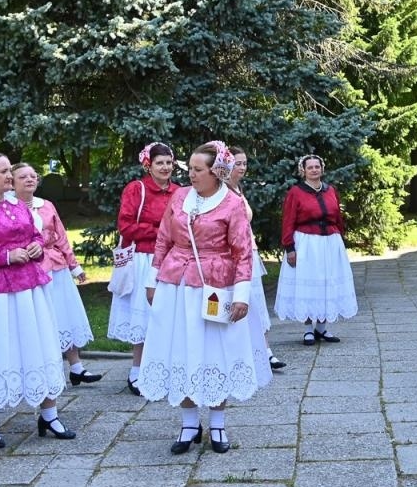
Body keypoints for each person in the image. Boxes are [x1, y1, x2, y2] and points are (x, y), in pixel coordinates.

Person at [139, 141, 260, 454]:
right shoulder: (180, 197)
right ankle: (189, 424)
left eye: (197, 169)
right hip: (176, 285)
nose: (190, 174)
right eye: (189, 168)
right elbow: (164, 238)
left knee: (214, 352)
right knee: (181, 350)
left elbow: (243, 252)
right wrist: (152, 280)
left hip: (214, 287)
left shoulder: (231, 204)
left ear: (216, 172)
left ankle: (218, 425)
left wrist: (242, 295)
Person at [0, 152, 74, 446]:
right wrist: (5, 256)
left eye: (10, 171)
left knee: (38, 343)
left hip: (28, 285)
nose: (10, 176)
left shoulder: (17, 205)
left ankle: (49, 414)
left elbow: (35, 234)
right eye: (4, 171)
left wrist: (35, 247)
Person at [9, 163, 101, 386]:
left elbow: (61, 237)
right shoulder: (8, 208)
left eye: (33, 176)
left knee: (64, 314)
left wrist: (74, 267)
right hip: (28, 270)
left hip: (56, 266)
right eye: (23, 177)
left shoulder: (46, 205)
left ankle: (76, 366)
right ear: (11, 181)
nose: (30, 180)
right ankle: (42, 369)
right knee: (41, 319)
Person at [110, 142, 179, 394]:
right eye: (160, 162)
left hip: (171, 260)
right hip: (142, 259)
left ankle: (163, 368)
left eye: (169, 163)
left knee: (166, 315)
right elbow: (126, 226)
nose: (165, 167)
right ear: (148, 165)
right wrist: (160, 231)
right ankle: (136, 371)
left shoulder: (179, 192)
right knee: (143, 316)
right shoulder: (136, 189)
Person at [275, 155, 358, 343]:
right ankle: (308, 329)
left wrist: (340, 241)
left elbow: (338, 218)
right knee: (308, 284)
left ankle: (321, 328)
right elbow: (288, 222)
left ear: (322, 168)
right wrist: (290, 248)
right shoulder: (295, 193)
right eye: (310, 167)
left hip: (329, 243)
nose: (314, 170)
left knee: (326, 284)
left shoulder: (331, 191)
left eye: (317, 166)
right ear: (303, 170)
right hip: (306, 243)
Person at [228, 146, 285, 376]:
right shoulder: (220, 190)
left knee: (257, 300)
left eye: (244, 163)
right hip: (233, 255)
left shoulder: (238, 188)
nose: (242, 167)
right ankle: (241, 352)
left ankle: (265, 350)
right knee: (239, 300)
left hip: (248, 249)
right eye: (237, 163)